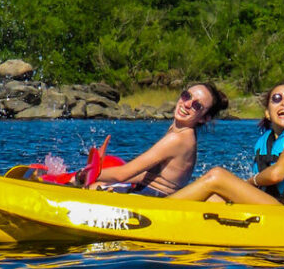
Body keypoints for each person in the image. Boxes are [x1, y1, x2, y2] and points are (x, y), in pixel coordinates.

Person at [168, 83, 284, 204]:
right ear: (268, 113)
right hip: (280, 209)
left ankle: (160, 210)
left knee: (217, 176)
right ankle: (172, 216)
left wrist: (249, 182)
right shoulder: (265, 144)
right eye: (277, 99)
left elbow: (276, 174)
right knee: (215, 197)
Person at [91, 82, 228, 197]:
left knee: (88, 186)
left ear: (204, 118)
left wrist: (81, 175)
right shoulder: (180, 131)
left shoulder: (178, 139)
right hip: (149, 192)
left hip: (153, 199)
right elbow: (145, 175)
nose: (186, 104)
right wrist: (99, 173)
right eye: (187, 96)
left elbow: (122, 175)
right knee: (97, 185)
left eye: (196, 106)